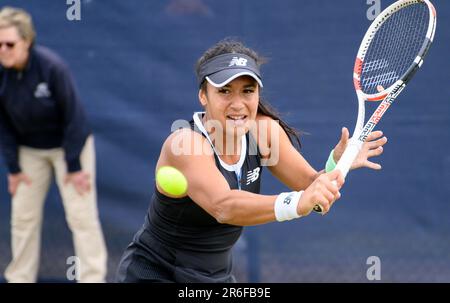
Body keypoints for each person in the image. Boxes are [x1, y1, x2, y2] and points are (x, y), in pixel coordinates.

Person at [116, 38, 387, 283]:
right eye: (224, 91)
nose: (238, 103)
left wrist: (336, 165)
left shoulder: (265, 132)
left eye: (247, 91)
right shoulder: (184, 144)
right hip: (155, 274)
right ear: (203, 96)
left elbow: (310, 187)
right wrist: (297, 203)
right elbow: (224, 206)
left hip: (215, 278)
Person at [0, 7, 107, 283]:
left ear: (27, 41)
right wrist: (13, 168)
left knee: (81, 218)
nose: (3, 49)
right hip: (28, 152)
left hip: (68, 148)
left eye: (9, 43)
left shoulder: (52, 67)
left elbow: (75, 118)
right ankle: (19, 278)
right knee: (22, 220)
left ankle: (93, 278)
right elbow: (4, 126)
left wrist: (73, 166)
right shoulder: (2, 74)